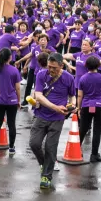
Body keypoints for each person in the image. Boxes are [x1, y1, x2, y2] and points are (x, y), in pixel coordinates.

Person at [28, 53, 76, 190]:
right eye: (49, 66)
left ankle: (46, 176)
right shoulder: (41, 75)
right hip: (41, 115)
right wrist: (55, 107)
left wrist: (72, 105)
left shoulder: (68, 78)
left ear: (61, 66)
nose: (51, 70)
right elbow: (38, 95)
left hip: (57, 118)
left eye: (54, 67)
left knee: (50, 147)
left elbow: (72, 96)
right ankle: (44, 164)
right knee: (34, 143)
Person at [77, 54, 101, 163]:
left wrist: (79, 108)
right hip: (100, 105)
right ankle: (94, 155)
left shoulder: (83, 78)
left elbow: (80, 95)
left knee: (82, 129)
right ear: (98, 65)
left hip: (86, 105)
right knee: (97, 131)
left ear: (86, 65)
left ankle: (76, 150)